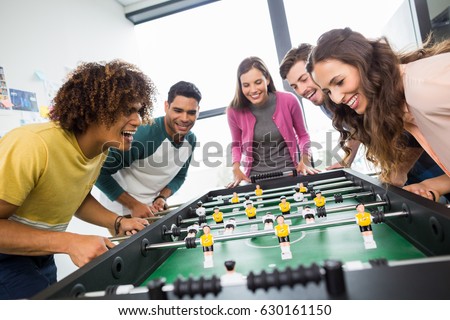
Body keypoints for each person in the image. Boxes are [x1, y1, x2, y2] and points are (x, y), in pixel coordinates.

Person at [0, 60, 155, 299]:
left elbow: (75, 197)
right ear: (95, 109)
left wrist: (117, 222)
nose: (138, 120)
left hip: (40, 253)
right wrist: (70, 242)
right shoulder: (33, 145)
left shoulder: (101, 150)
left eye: (139, 111)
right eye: (128, 111)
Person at [306, 28, 450, 201]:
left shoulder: (423, 88)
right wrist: (431, 186)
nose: (336, 99)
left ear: (365, 63)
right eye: (328, 91)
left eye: (340, 82)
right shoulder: (406, 104)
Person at [95, 81, 201, 219]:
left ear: (198, 110)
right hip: (123, 208)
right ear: (166, 106)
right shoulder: (142, 135)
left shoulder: (191, 140)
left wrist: (162, 197)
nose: (185, 119)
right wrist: (133, 205)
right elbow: (99, 174)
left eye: (191, 112)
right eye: (178, 110)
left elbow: (179, 176)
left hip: (150, 206)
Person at [226, 56, 319, 188]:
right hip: (255, 180)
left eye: (258, 82)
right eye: (246, 85)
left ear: (267, 79)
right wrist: (235, 168)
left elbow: (303, 136)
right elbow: (236, 144)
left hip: (291, 174)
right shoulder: (233, 111)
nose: (253, 90)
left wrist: (305, 160)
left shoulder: (289, 100)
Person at [280, 43, 361, 169]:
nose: (301, 90)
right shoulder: (323, 103)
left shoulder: (346, 89)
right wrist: (345, 161)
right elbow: (357, 126)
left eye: (304, 79)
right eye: (295, 86)